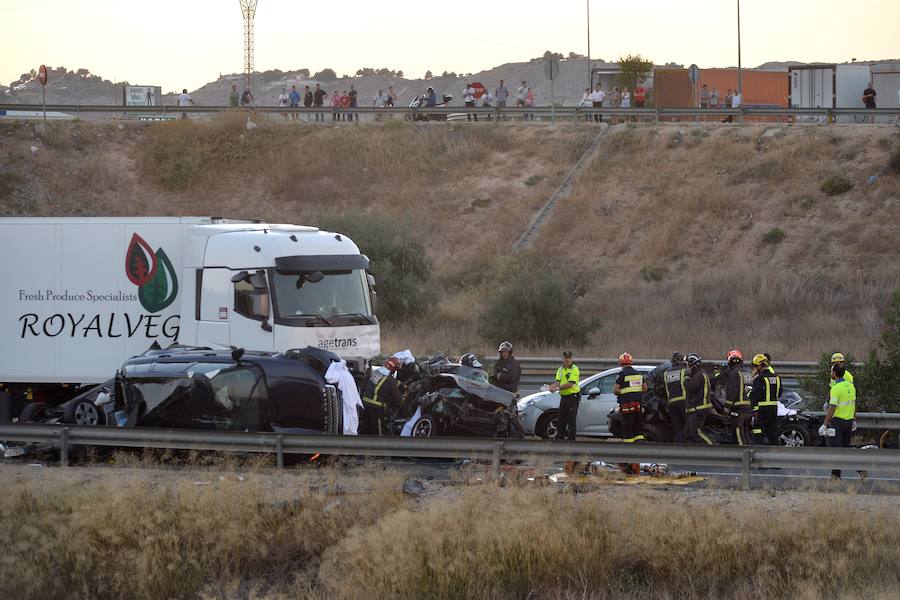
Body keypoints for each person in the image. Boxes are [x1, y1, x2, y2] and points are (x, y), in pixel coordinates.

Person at [820, 364, 857, 479]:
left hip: (838, 423)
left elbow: (832, 408)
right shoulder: (851, 386)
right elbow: (854, 404)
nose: (830, 373)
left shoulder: (835, 388)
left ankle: (835, 476)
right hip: (849, 422)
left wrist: (824, 424)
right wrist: (854, 419)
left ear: (835, 373)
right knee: (846, 448)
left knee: (836, 448)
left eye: (831, 371)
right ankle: (859, 469)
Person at [361, 357, 403, 435]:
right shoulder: (390, 380)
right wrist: (403, 400)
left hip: (366, 405)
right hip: (376, 408)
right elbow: (397, 399)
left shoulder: (377, 372)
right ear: (394, 368)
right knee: (378, 432)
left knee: (366, 431)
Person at [613, 352, 647, 444]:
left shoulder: (621, 374)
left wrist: (623, 392)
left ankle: (628, 448)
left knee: (627, 426)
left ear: (621, 363)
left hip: (626, 404)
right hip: (638, 404)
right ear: (631, 363)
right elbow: (645, 389)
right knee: (638, 425)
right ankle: (640, 444)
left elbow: (615, 390)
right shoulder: (639, 374)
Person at [749, 353, 781, 445]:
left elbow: (755, 397)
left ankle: (758, 456)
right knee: (773, 433)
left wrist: (755, 411)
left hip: (761, 412)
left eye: (755, 366)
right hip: (774, 410)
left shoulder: (758, 379)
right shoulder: (777, 378)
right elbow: (780, 393)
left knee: (758, 434)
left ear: (760, 365)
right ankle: (775, 455)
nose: (755, 368)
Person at [684, 353, 715, 445]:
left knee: (696, 433)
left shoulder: (699, 375)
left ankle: (714, 447)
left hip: (699, 409)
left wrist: (686, 376)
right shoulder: (700, 374)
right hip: (697, 409)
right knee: (690, 434)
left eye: (687, 365)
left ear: (692, 364)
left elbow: (689, 387)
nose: (686, 367)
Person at [549, 351, 580, 440]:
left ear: (572, 359)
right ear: (562, 359)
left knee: (571, 420)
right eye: (565, 358)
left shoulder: (574, 369)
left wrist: (558, 388)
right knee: (561, 419)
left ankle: (571, 440)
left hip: (572, 397)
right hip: (564, 397)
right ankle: (560, 439)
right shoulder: (560, 369)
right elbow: (557, 382)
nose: (567, 360)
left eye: (569, 358)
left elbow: (570, 384)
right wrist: (552, 387)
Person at [723, 350, 752, 446]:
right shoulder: (748, 373)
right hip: (748, 407)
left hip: (738, 408)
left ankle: (741, 454)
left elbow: (732, 391)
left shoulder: (734, 373)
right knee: (745, 432)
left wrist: (727, 406)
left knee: (737, 431)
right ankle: (748, 453)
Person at [662, 353, 688, 443]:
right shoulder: (685, 371)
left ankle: (679, 448)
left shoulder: (666, 374)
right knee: (687, 427)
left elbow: (662, 390)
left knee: (678, 428)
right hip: (684, 402)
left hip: (672, 404)